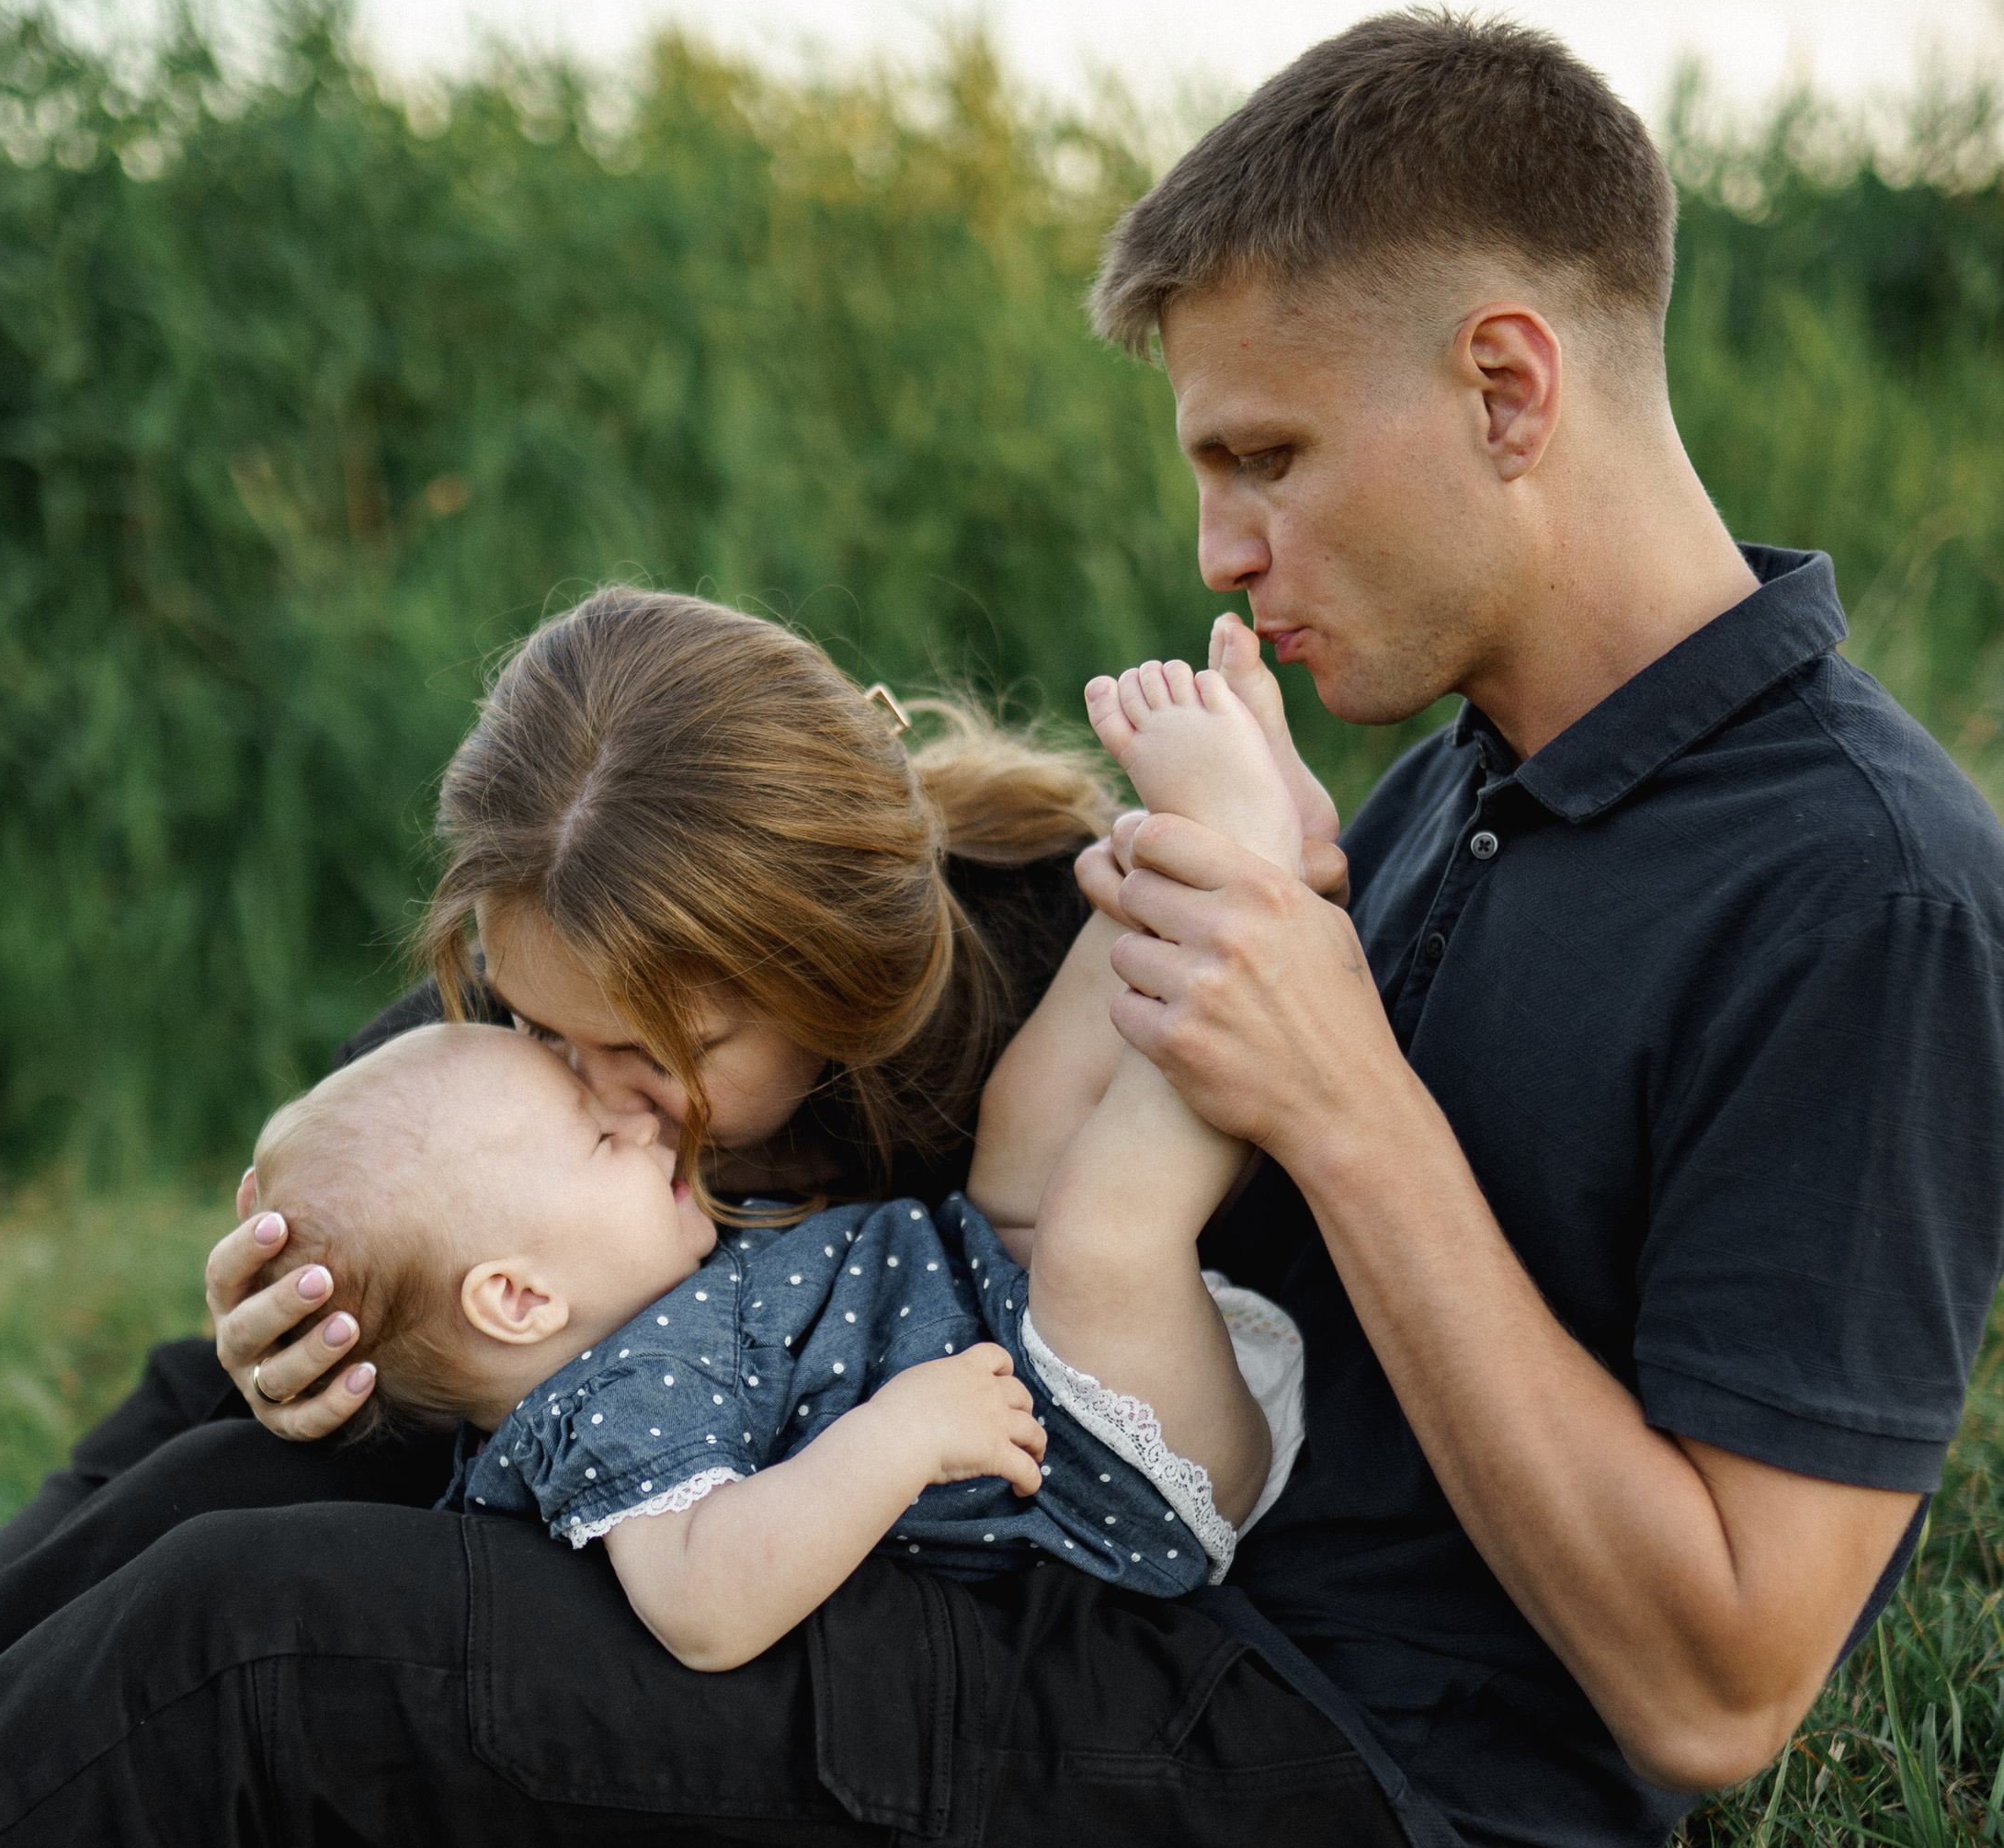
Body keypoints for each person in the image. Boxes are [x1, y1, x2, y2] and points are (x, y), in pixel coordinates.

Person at [0, 8, 2003, 1848]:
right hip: (1088, 1557)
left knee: (259, 1648)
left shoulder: (1857, 898)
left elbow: (1718, 1682)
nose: (1214, 545)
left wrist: (1345, 1104)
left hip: (1310, 1781)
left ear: (1506, 381)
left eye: (1260, 456)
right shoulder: (1470, 782)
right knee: (241, 1469)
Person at [241, 654, 1321, 1662]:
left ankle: (1229, 861)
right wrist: (286, 1325)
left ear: (826, 979)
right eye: (541, 1035)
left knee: (1031, 1119)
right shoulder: (599, 1371)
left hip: (1033, 1316)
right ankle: (1251, 871)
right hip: (1101, 1468)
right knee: (1102, 1228)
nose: (606, 1100)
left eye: (652, 1055)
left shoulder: (1003, 922)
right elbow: (704, 1595)